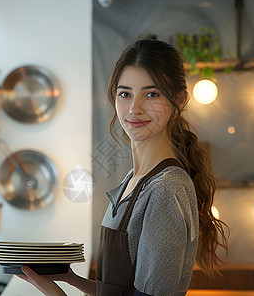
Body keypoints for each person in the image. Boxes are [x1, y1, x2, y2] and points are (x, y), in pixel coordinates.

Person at [18, 38, 228, 296]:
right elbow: (122, 292)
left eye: (152, 94)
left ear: (179, 101)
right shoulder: (134, 180)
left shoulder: (165, 189)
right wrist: (71, 279)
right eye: (125, 94)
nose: (134, 109)